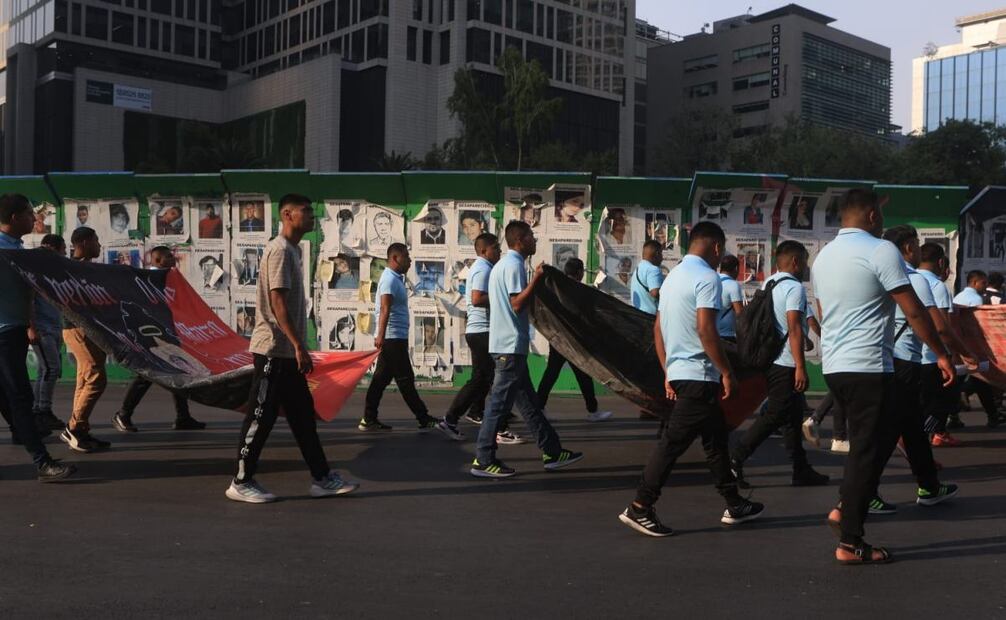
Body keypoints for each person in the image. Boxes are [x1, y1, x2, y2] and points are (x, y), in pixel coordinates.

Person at [812, 188, 953, 565]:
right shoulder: (880, 250)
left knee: (892, 426)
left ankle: (848, 506)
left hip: (837, 366)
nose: (883, 220)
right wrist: (941, 353)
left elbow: (825, 310)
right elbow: (914, 311)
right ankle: (850, 540)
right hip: (869, 366)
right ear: (872, 216)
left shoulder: (823, 257)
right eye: (881, 213)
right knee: (866, 450)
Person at [618, 221, 763, 537]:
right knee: (672, 443)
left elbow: (658, 330)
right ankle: (640, 506)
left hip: (683, 373)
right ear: (716, 248)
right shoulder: (707, 278)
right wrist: (727, 372)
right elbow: (706, 330)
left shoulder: (671, 279)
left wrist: (668, 371)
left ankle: (734, 502)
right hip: (700, 375)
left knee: (715, 442)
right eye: (722, 250)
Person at [227, 193, 358, 503]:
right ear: (287, 215)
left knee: (302, 417)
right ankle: (241, 480)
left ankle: (321, 477)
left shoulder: (292, 251)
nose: (311, 216)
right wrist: (299, 345)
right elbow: (277, 302)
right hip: (273, 349)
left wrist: (298, 347)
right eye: (306, 211)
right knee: (261, 415)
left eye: (312, 211)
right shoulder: (280, 252)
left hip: (286, 352)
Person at [860, 225, 963, 513]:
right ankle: (865, 492)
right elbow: (935, 323)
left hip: (885, 358)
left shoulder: (877, 276)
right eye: (916, 245)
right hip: (906, 362)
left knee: (912, 427)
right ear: (907, 248)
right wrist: (946, 355)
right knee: (889, 431)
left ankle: (929, 485)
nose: (918, 251)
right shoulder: (914, 280)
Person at [471, 220, 583, 478]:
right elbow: (517, 304)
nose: (535, 240)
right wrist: (536, 280)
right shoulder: (513, 266)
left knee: (530, 404)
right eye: (532, 236)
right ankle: (483, 459)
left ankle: (552, 451)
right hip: (508, 347)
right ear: (520, 240)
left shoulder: (503, 265)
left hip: (508, 346)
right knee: (498, 406)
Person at [730, 241, 829, 488]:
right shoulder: (794, 288)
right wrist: (800, 366)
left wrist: (801, 340)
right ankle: (735, 458)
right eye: (805, 261)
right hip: (785, 363)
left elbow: (778, 324)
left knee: (792, 418)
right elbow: (793, 326)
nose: (805, 266)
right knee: (775, 414)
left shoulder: (769, 283)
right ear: (795, 262)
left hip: (771, 358)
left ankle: (800, 468)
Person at [0, 194, 76, 481]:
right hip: (4, 333)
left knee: (7, 395)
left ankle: (22, 434)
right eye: (31, 214)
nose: (35, 219)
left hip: (14, 329)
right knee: (20, 395)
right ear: (15, 217)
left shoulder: (16, 248)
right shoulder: (4, 249)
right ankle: (42, 461)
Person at [437, 233, 523, 443]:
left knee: (483, 379)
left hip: (480, 331)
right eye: (496, 248)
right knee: (495, 380)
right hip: (482, 331)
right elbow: (476, 299)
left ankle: (465, 415)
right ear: (484, 251)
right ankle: (497, 428)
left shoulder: (483, 268)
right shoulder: (483, 269)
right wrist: (502, 297)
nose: (500, 252)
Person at [112, 246, 207, 433]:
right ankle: (123, 414)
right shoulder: (148, 280)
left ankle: (183, 417)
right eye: (168, 257)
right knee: (146, 375)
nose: (173, 259)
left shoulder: (169, 278)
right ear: (156, 260)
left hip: (167, 332)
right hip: (151, 335)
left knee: (177, 372)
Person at [360, 243, 436, 431]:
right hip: (392, 338)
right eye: (406, 257)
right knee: (405, 378)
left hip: (395, 337)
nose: (410, 261)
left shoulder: (395, 278)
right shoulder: (389, 280)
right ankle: (423, 417)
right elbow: (385, 308)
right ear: (395, 258)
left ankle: (368, 418)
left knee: (381, 379)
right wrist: (381, 336)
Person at [537, 258, 613, 423]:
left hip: (558, 338)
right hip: (573, 340)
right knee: (582, 374)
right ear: (579, 273)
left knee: (552, 373)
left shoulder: (556, 288)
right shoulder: (578, 290)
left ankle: (539, 407)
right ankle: (592, 411)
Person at [59, 226, 112, 453]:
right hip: (78, 329)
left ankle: (79, 429)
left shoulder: (86, 268)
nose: (99, 245)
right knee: (96, 377)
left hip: (87, 330)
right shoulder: (71, 269)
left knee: (84, 379)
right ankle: (74, 428)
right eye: (96, 240)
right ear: (83, 243)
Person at [917, 243, 968, 444]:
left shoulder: (907, 279)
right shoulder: (938, 286)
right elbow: (943, 328)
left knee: (918, 403)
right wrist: (956, 353)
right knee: (938, 404)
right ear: (941, 262)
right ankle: (927, 434)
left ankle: (925, 438)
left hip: (909, 355)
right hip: (933, 357)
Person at [953, 270, 1006, 428]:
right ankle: (992, 415)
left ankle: (956, 414)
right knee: (980, 380)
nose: (985, 287)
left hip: (960, 348)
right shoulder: (976, 300)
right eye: (983, 283)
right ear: (974, 283)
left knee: (974, 381)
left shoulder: (958, 298)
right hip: (975, 350)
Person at [30, 234, 68, 433]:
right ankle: (42, 412)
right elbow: (28, 303)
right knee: (50, 369)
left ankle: (40, 410)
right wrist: (32, 328)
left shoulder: (50, 277)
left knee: (48, 370)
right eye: (62, 249)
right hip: (42, 329)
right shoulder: (34, 278)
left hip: (53, 327)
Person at [631, 241, 664, 315]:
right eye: (661, 253)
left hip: (637, 315)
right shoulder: (653, 269)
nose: (662, 258)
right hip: (650, 317)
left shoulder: (638, 268)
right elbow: (655, 293)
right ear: (657, 254)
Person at [716, 254, 744, 342]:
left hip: (711, 333)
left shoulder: (713, 280)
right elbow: (740, 313)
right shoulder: (733, 285)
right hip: (727, 335)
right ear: (736, 269)